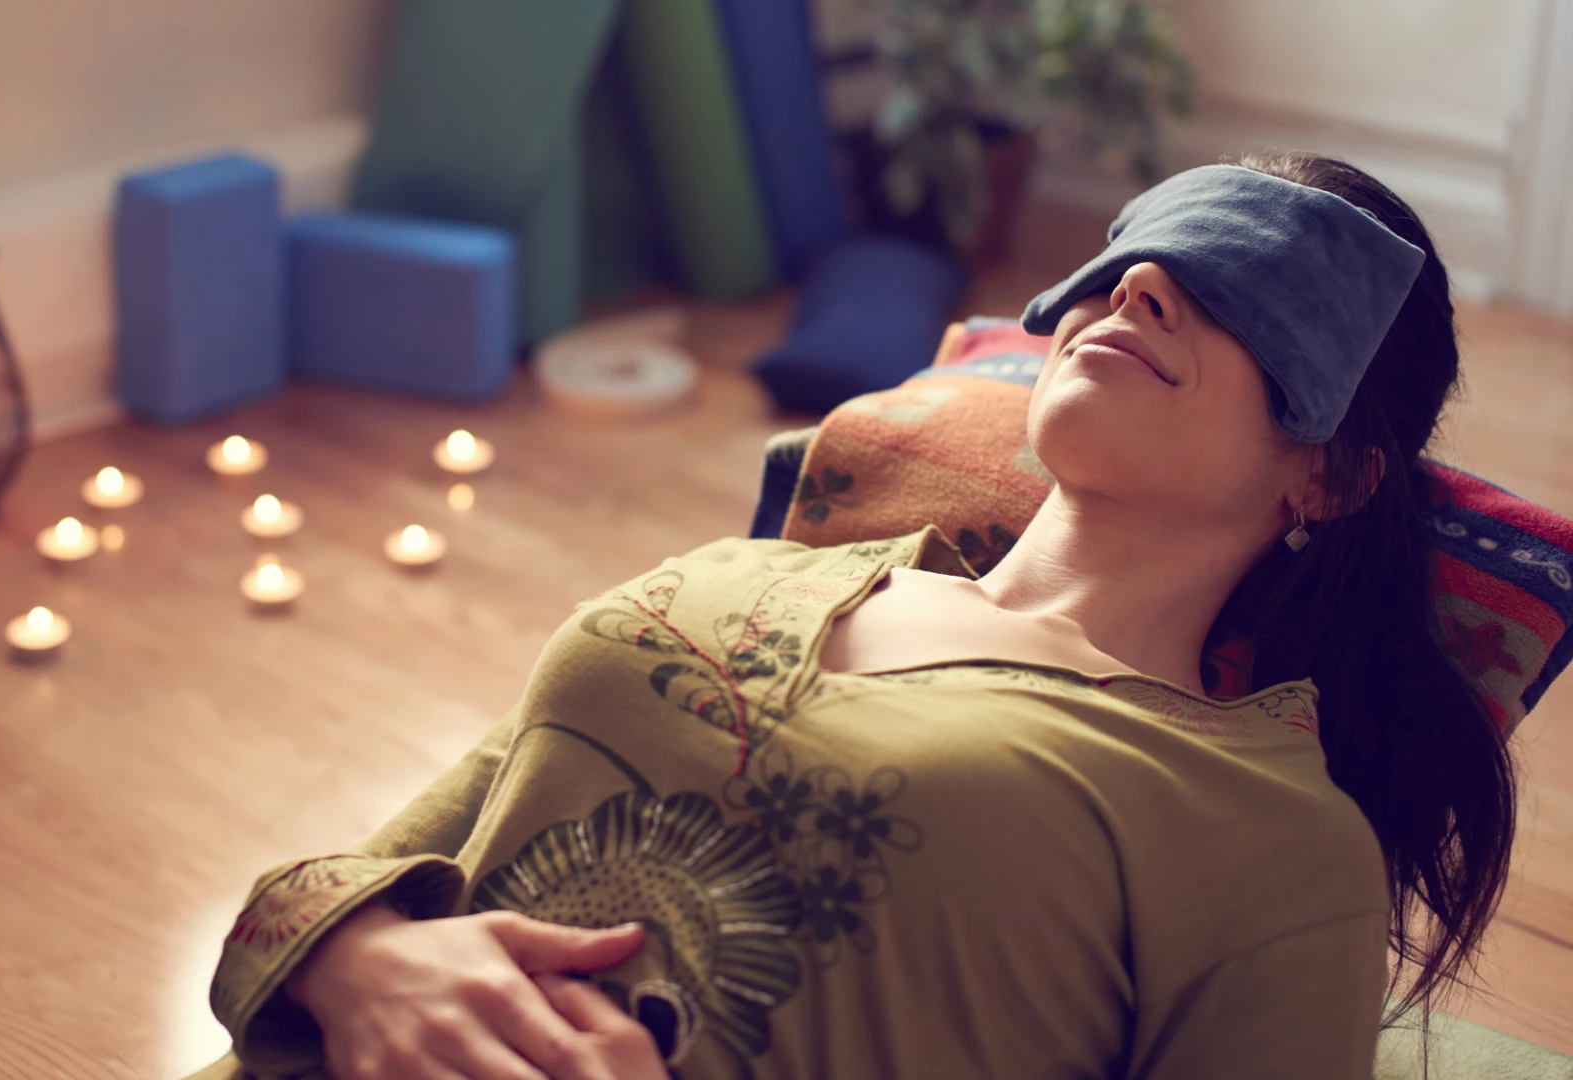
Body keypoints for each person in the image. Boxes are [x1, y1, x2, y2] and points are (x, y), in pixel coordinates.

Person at [197, 151, 1516, 1080]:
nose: (1140, 290)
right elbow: (335, 886)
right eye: (1127, 262)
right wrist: (361, 968)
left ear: (1330, 476)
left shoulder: (1262, 837)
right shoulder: (731, 578)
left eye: (1242, 292)